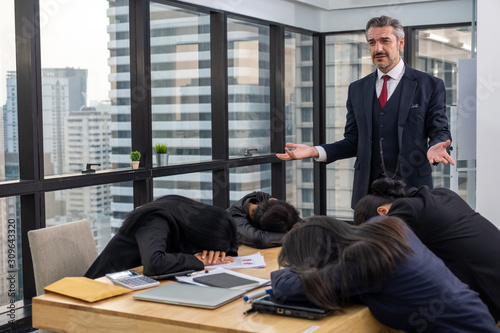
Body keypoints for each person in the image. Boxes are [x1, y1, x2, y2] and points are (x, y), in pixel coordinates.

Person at [276, 15, 454, 209]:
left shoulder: (429, 85)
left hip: (412, 189)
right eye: (372, 42)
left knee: (409, 239)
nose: (378, 48)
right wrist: (315, 151)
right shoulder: (357, 89)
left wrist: (436, 145)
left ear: (400, 42)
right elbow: (352, 141)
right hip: (368, 192)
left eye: (385, 41)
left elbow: (439, 130)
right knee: (370, 239)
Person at [271, 216, 498, 332]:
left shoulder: (362, 260)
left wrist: (300, 268)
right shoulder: (386, 225)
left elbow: (286, 287)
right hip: (478, 318)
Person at [353, 178, 500, 322]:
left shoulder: (403, 212)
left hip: (488, 285)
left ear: (382, 211)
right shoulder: (442, 194)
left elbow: (381, 259)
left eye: (371, 229)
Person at [85, 195, 238, 278]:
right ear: (200, 235)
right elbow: (154, 263)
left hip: (133, 285)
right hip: (102, 290)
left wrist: (218, 255)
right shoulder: (156, 219)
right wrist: (197, 259)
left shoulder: (184, 218)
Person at [226, 191, 301, 248]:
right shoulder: (234, 218)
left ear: (273, 200)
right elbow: (261, 240)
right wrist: (297, 234)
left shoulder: (263, 198)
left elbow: (303, 224)